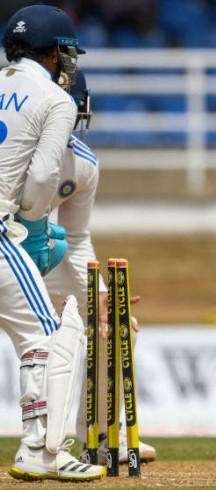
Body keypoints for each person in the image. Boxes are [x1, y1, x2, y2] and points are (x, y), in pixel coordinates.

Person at [0, 4, 105, 481]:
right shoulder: (56, 100)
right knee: (47, 336)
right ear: (54, 52)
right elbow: (44, 174)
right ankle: (43, 452)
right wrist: (28, 215)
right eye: (66, 53)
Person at [36, 70, 159, 468]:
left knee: (117, 327)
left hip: (38, 252)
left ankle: (104, 438)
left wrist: (101, 295)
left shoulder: (82, 164)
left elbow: (74, 237)